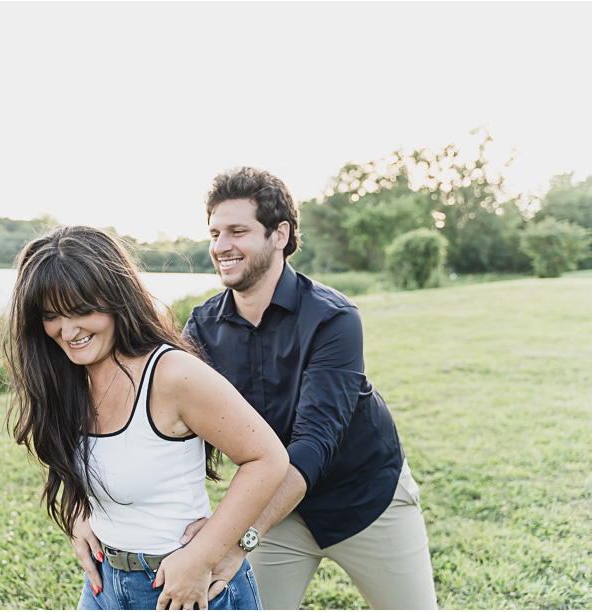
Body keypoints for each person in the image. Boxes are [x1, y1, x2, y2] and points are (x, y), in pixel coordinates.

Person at [179, 167, 438, 609]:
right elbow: (166, 428)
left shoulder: (334, 319)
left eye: (237, 231)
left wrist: (235, 542)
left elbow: (315, 444)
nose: (221, 246)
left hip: (365, 499)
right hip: (275, 510)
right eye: (215, 232)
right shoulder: (200, 329)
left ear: (279, 234)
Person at [1, 225, 290, 610]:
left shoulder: (172, 374)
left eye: (82, 311)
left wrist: (204, 555)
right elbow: (86, 464)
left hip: (183, 588)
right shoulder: (67, 377)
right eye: (52, 315)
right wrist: (80, 516)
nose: (68, 331)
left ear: (116, 299)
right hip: (105, 586)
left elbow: (268, 458)